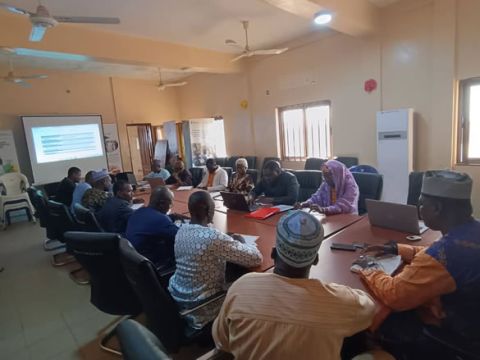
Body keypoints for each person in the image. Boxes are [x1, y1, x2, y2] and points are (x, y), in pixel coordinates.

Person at [212, 210, 376, 359]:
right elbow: (369, 308)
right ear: (316, 260)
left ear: (273, 253)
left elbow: (222, 341)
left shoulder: (241, 287)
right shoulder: (338, 302)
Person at [360, 170, 480, 358]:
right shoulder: (471, 231)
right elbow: (433, 252)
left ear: (437, 208)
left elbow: (395, 295)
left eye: (422, 202)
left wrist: (369, 268)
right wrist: (397, 249)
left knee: (378, 319)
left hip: (455, 336)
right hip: (472, 322)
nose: (418, 207)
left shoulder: (444, 254)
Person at [168, 191, 262, 329]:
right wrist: (243, 242)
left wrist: (223, 239)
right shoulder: (213, 238)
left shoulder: (182, 230)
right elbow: (256, 258)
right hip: (201, 307)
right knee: (252, 288)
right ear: (208, 209)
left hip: (178, 296)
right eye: (213, 204)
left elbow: (208, 239)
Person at [126, 186, 183, 270]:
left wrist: (171, 217)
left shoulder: (138, 212)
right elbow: (181, 236)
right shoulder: (160, 220)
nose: (171, 206)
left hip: (134, 261)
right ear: (161, 203)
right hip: (151, 264)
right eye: (170, 203)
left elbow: (152, 222)